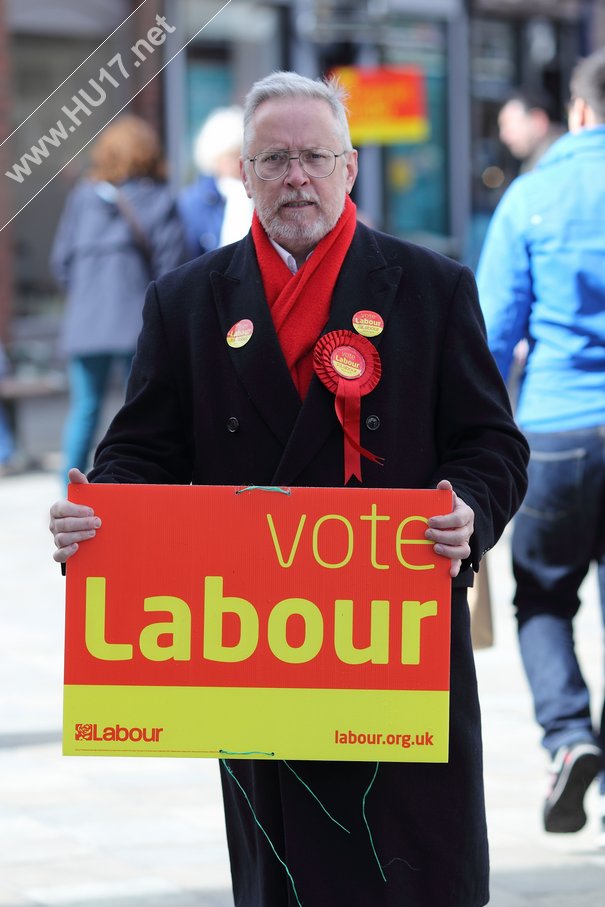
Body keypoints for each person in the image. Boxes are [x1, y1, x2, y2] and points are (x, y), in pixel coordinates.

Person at [50, 71, 528, 907]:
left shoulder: (429, 287)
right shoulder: (188, 299)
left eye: (313, 157)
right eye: (273, 160)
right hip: (261, 643)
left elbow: (491, 441)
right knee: (289, 873)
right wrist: (103, 512)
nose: (294, 178)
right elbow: (140, 449)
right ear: (243, 172)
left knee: (414, 863)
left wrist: (468, 505)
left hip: (391, 635)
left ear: (349, 169)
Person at [477, 48, 605, 839]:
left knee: (544, 595)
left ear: (579, 111)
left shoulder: (529, 197)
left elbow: (490, 334)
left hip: (555, 428)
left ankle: (567, 737)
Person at [50, 114, 187, 485]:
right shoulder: (158, 200)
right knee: (142, 412)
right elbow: (172, 270)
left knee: (84, 409)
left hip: (85, 324)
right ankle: (132, 491)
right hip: (138, 325)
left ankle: (69, 495)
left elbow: (59, 264)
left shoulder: (81, 198)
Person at [178, 106, 253, 259]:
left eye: (242, 153)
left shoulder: (260, 193)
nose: (237, 163)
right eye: (231, 155)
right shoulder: (194, 202)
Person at [498, 90, 565, 173]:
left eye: (509, 125)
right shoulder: (538, 163)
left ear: (538, 121)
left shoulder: (559, 165)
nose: (503, 136)